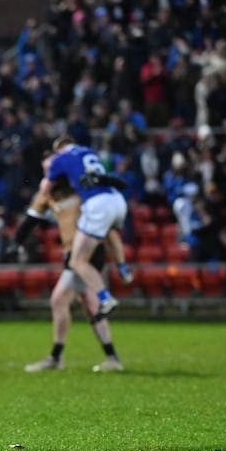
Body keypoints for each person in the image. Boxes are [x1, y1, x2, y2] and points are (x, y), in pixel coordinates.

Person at [9, 154, 123, 372]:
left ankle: (55, 358)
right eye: (44, 170)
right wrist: (17, 241)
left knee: (59, 300)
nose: (47, 174)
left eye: (50, 169)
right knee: (89, 305)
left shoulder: (79, 185)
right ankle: (112, 358)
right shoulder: (48, 194)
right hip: (70, 253)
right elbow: (33, 217)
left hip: (87, 252)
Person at [40, 135, 131, 319]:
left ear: (59, 149)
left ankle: (105, 298)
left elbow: (46, 189)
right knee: (109, 230)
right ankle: (123, 268)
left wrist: (52, 182)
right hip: (117, 200)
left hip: (97, 204)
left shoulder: (60, 159)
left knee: (77, 260)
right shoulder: (89, 151)